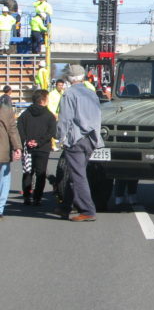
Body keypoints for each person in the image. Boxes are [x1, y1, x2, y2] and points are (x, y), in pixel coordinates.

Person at [56, 64, 104, 222]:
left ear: (69, 78)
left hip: (76, 138)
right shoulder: (92, 94)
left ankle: (87, 210)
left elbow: (65, 119)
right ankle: (66, 207)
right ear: (82, 77)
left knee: (77, 175)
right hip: (91, 138)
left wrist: (59, 138)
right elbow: (98, 115)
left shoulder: (69, 94)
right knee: (77, 173)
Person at [17, 89, 57, 206]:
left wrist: (27, 141)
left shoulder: (25, 114)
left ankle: (26, 196)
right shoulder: (49, 115)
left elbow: (20, 129)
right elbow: (52, 132)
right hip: (43, 148)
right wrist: (38, 142)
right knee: (41, 173)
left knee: (28, 171)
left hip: (27, 148)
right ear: (43, 100)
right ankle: (37, 198)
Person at [0, 100, 22, 220]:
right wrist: (17, 147)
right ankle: (0, 208)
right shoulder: (7, 110)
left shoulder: (7, 110)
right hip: (3, 151)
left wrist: (17, 147)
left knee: (4, 178)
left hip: (3, 151)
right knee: (4, 179)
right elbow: (12, 130)